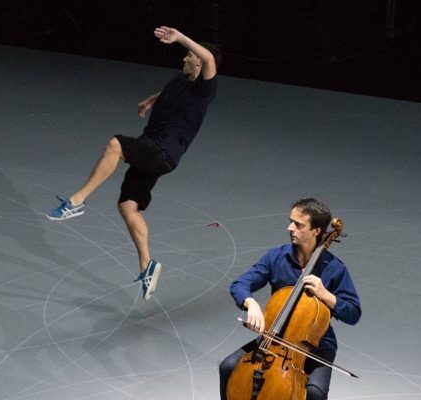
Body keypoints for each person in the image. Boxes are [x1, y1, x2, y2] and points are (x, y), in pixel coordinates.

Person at [46, 26, 220, 301]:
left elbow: (209, 60)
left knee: (116, 144)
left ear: (198, 59)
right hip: (153, 148)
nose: (184, 58)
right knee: (128, 206)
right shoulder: (180, 79)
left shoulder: (204, 90)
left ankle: (76, 202)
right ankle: (147, 266)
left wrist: (181, 38)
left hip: (161, 151)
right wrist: (152, 100)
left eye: (188, 55)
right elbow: (170, 92)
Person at [219, 198, 361, 400]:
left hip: (316, 346)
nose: (290, 228)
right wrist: (251, 304)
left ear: (316, 231)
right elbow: (240, 284)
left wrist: (326, 295)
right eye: (291, 221)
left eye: (298, 224)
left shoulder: (335, 269)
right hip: (273, 338)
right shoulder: (277, 257)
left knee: (314, 393)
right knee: (228, 367)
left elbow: (353, 312)